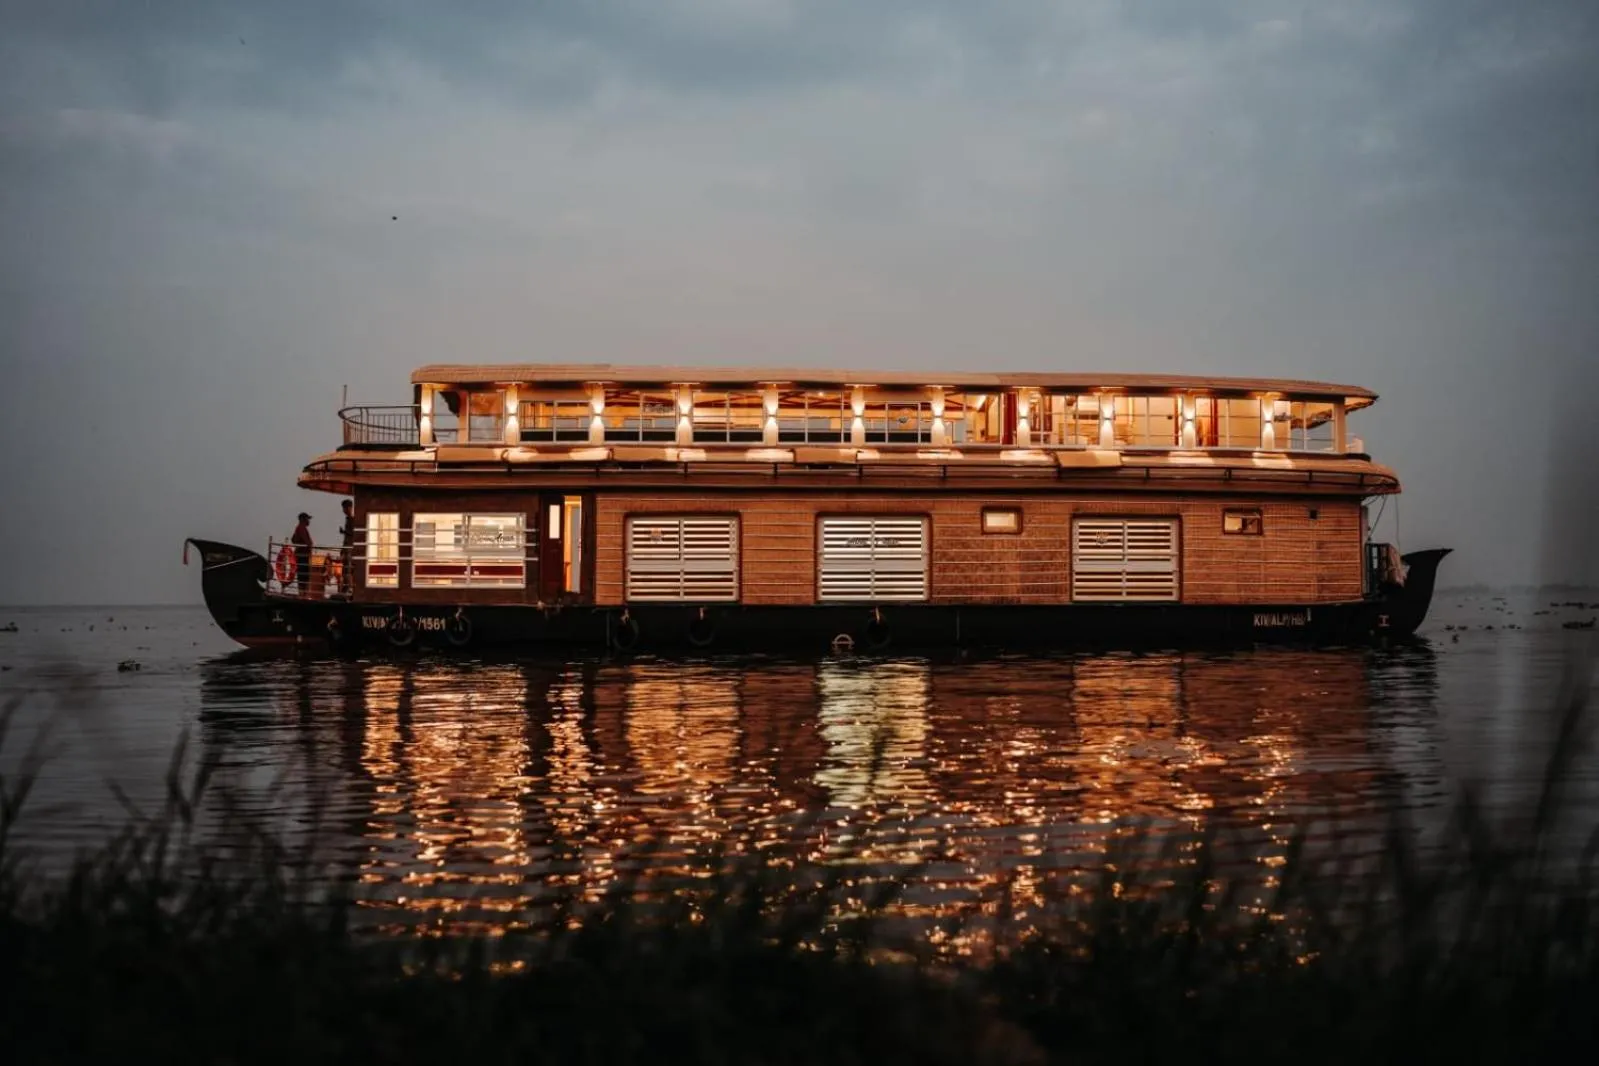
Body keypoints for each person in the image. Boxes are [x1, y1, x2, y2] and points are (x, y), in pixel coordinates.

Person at [291, 512, 313, 594]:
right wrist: (310, 545)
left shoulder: (299, 528)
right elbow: (307, 542)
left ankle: (302, 593)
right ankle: (303, 594)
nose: (309, 521)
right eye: (307, 519)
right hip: (302, 556)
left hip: (301, 555)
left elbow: (293, 539)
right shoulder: (301, 528)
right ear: (303, 519)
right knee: (303, 576)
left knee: (302, 575)